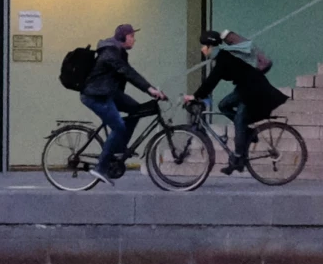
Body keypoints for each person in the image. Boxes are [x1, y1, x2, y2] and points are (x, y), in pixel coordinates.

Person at [185, 29, 290, 175]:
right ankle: (248, 132)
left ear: (210, 46)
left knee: (239, 120)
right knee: (223, 105)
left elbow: (212, 81)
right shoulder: (223, 57)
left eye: (203, 46)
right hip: (246, 88)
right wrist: (198, 96)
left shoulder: (224, 58)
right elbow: (212, 80)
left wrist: (195, 96)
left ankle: (238, 158)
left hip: (255, 90)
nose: (202, 49)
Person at [81, 22, 165, 179]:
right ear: (122, 37)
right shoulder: (110, 52)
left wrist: (152, 90)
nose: (134, 39)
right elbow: (128, 73)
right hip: (96, 95)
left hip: (109, 93)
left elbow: (129, 73)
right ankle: (101, 167)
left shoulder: (118, 52)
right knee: (118, 126)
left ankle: (118, 149)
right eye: (131, 36)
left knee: (136, 109)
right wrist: (150, 89)